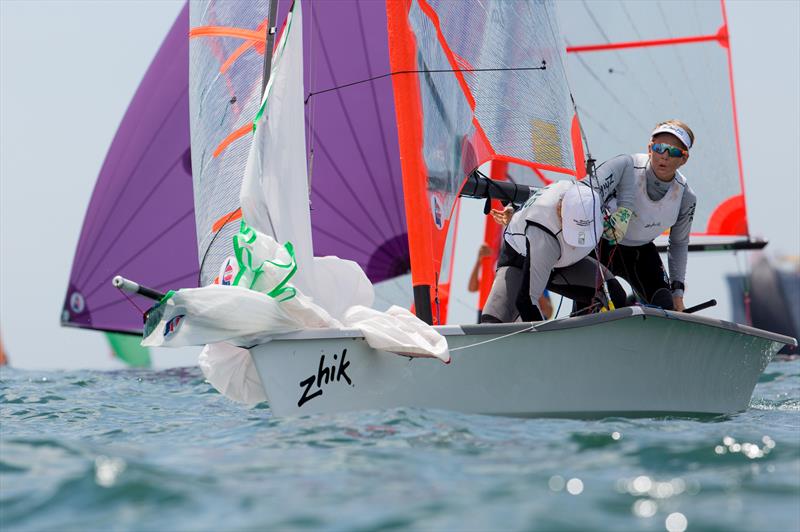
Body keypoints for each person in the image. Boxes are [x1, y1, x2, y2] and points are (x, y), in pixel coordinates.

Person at [480, 181, 624, 323]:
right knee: (491, 323)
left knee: (614, 294)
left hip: (564, 263)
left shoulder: (589, 196)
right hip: (520, 261)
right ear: (560, 211)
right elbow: (526, 302)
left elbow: (622, 167)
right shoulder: (543, 236)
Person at [593, 120, 697, 311]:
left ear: (684, 159)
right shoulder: (626, 167)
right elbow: (587, 195)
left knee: (666, 305)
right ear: (650, 148)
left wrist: (678, 295)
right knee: (607, 299)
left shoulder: (686, 196)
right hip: (602, 246)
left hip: (641, 253)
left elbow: (679, 243)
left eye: (673, 152)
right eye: (659, 148)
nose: (664, 156)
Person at [468, 243, 553, 320]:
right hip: (497, 320)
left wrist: (530, 283)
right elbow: (472, 288)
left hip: (521, 324)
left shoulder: (535, 279)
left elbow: (548, 313)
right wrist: (479, 260)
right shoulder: (500, 278)